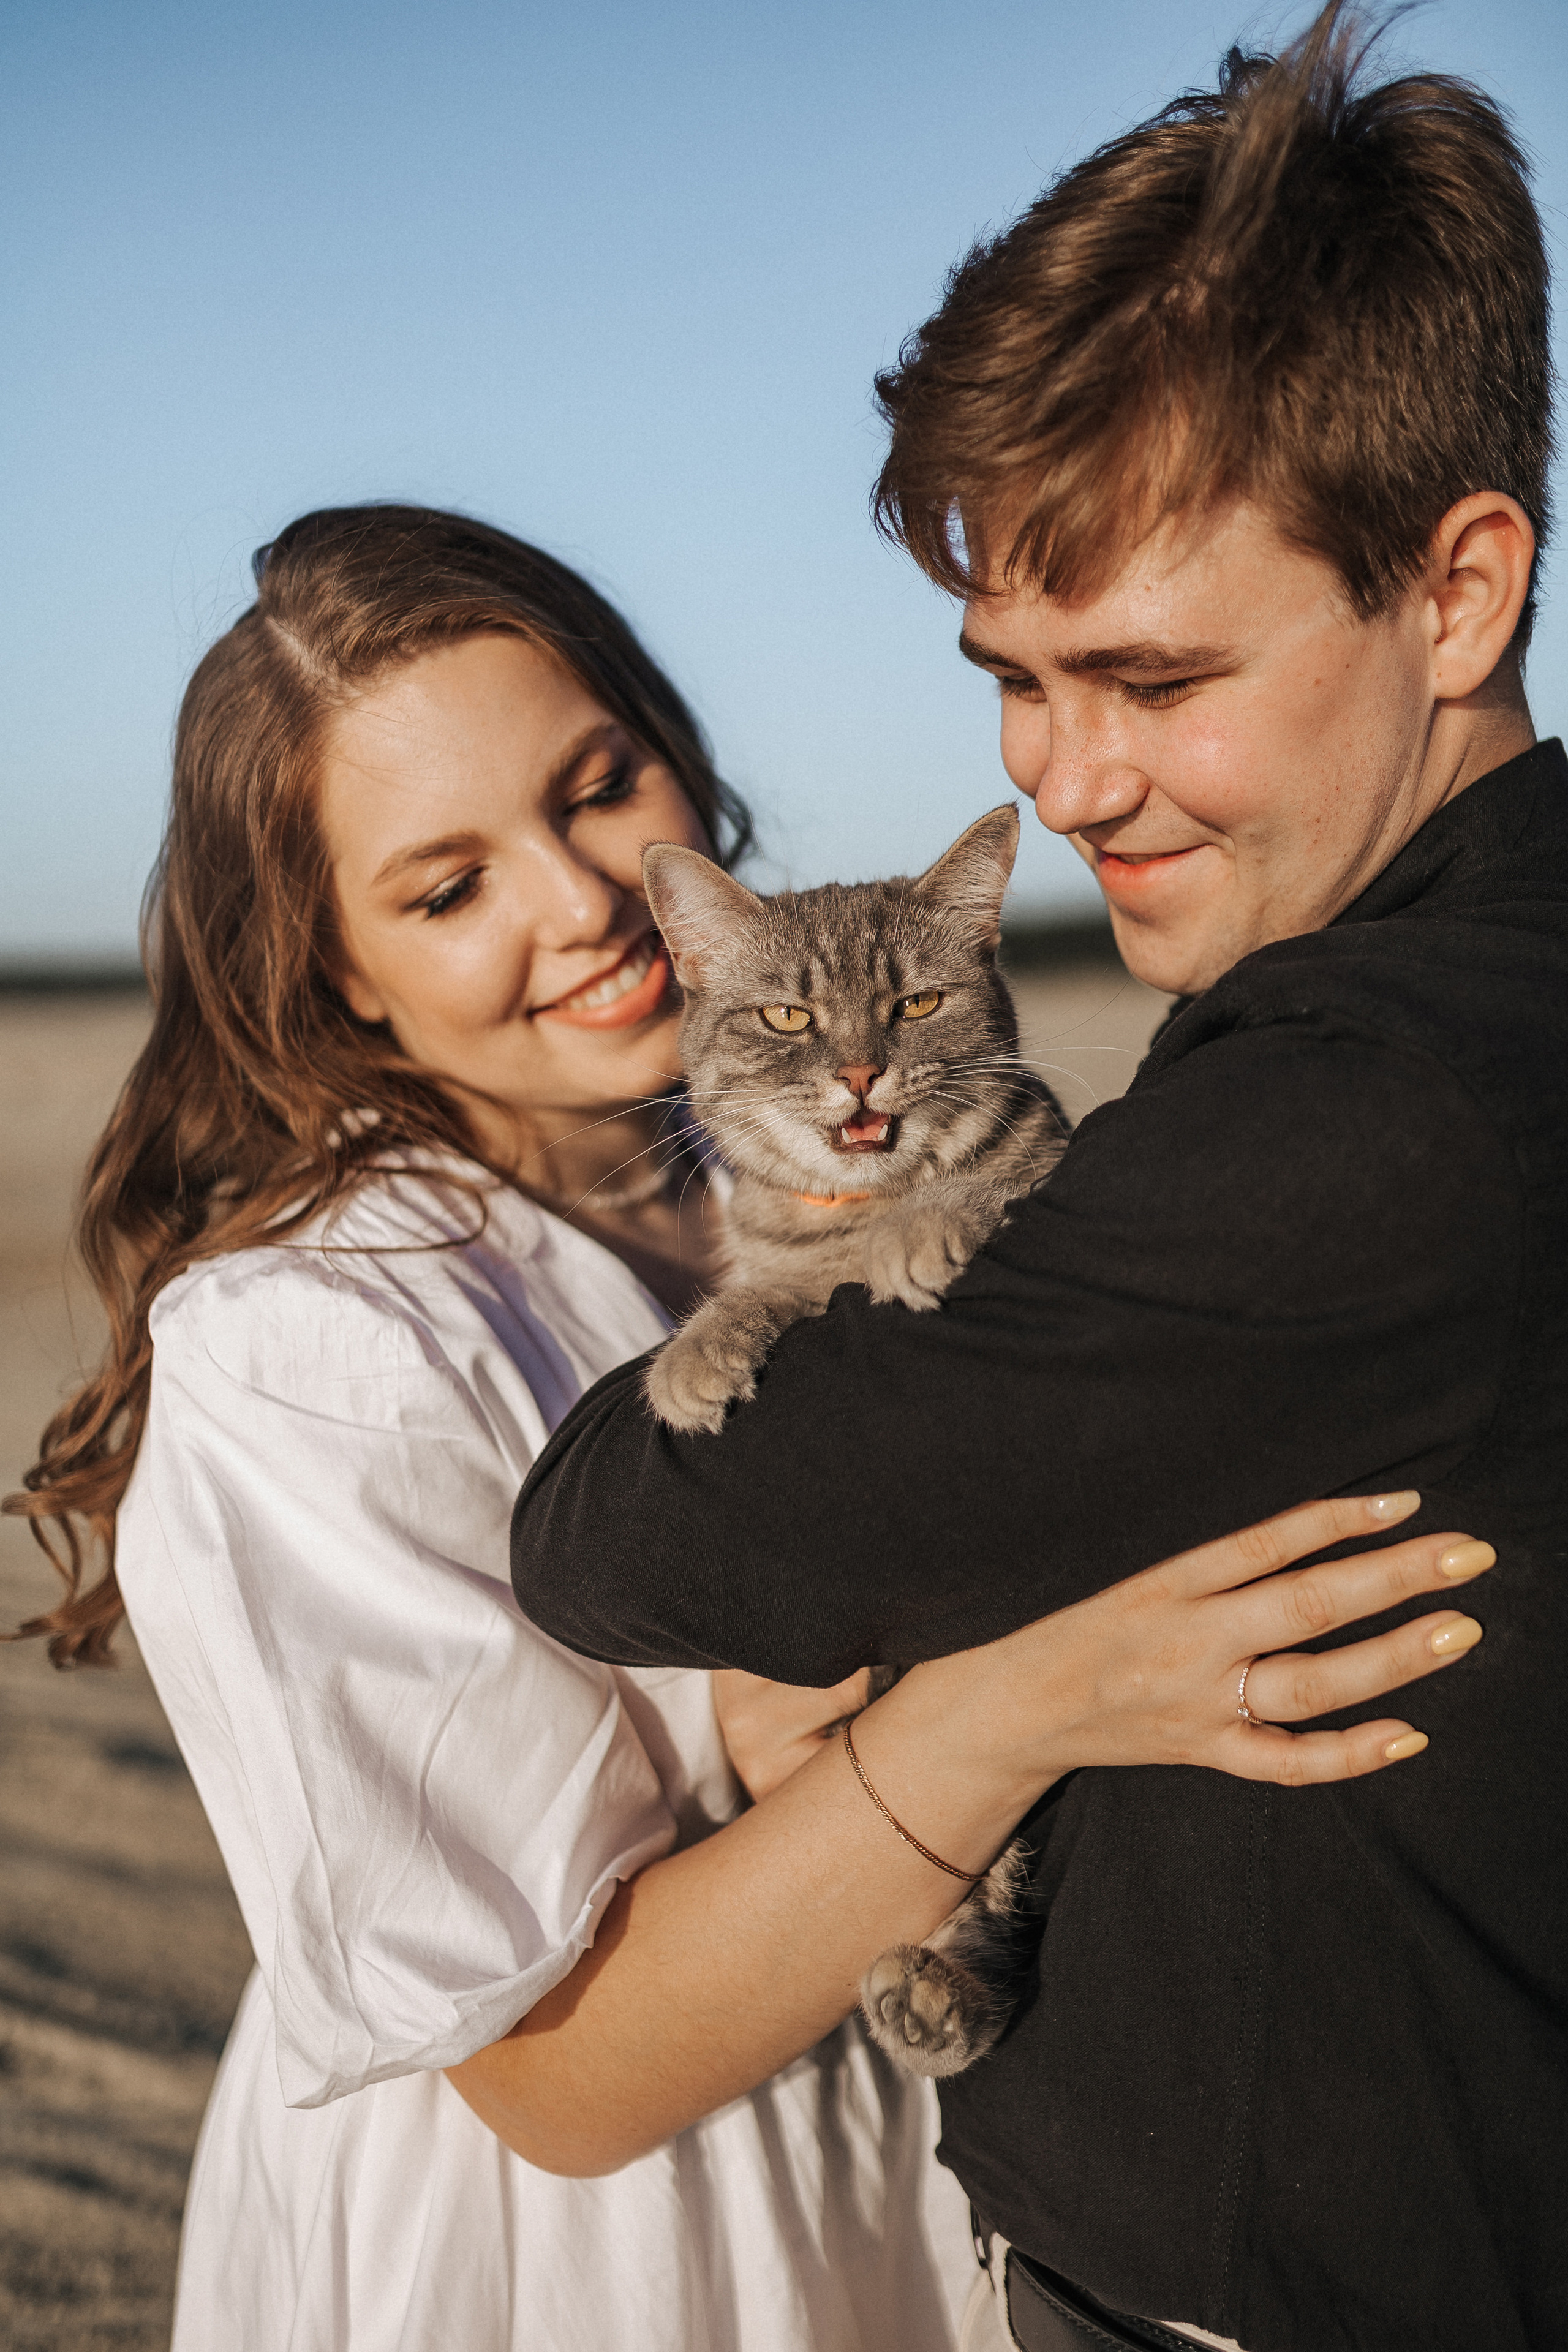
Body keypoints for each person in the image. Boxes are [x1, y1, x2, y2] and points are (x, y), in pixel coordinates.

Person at [5, 505, 1489, 2352]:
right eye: (446, 888)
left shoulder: (748, 1181)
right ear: (335, 975)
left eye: (595, 784)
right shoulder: (314, 1341)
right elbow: (559, 2085)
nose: (578, 901)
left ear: (676, 749)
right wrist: (1046, 1692)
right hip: (589, 2258)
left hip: (903, 2149)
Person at [510, 12, 1568, 2352]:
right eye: (1012, 668)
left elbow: (617, 1536)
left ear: (1462, 590)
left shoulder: (1377, 1106)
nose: (1066, 779)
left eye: (1151, 674)